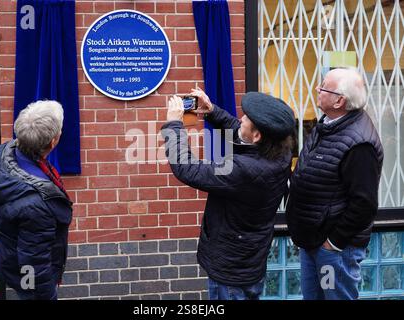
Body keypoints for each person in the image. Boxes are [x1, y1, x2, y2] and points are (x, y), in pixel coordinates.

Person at [161, 89, 296, 300]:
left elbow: (188, 169)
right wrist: (212, 111)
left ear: (258, 135)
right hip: (248, 260)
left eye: (246, 118)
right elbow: (241, 132)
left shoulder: (243, 169)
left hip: (230, 270)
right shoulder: (280, 152)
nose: (241, 118)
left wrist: (173, 125)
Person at [285, 68, 384, 300]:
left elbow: (364, 203)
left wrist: (333, 243)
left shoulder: (360, 144)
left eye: (324, 87)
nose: (317, 89)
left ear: (340, 100)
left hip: (333, 250)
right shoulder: (328, 124)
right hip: (312, 241)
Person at [0, 100, 73, 300]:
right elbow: (32, 262)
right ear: (53, 142)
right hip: (30, 277)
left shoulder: (2, 154)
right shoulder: (36, 203)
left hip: (12, 256)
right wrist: (38, 294)